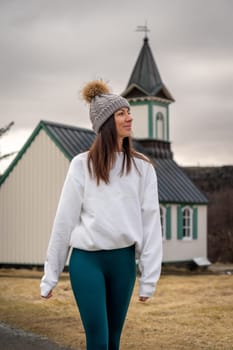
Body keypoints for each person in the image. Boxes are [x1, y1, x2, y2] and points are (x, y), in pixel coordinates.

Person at [40, 80, 163, 350]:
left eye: (129, 112)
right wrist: (51, 274)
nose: (130, 117)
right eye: (122, 113)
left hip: (123, 263)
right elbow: (65, 220)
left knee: (113, 340)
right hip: (87, 262)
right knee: (98, 338)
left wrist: (149, 276)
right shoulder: (81, 165)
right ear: (106, 122)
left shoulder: (143, 168)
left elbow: (151, 223)